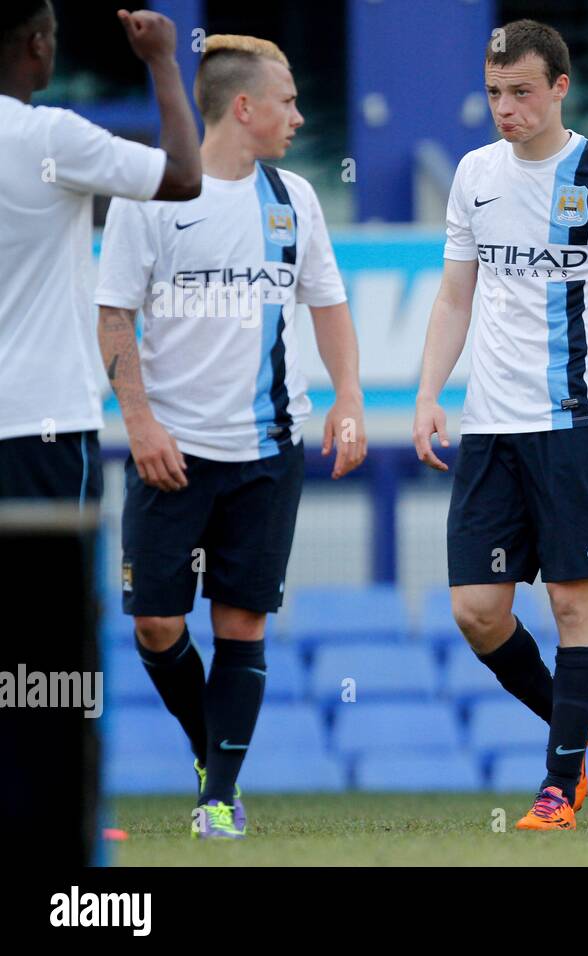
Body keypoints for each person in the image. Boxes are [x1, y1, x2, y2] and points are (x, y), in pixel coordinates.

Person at [94, 34, 367, 839]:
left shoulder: (296, 199)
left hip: (268, 451)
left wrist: (348, 395)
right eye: (287, 102)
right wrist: (138, 423)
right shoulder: (153, 197)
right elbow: (114, 315)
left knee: (242, 626)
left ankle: (218, 799)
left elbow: (328, 303)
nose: (299, 116)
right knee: (156, 625)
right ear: (243, 108)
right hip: (169, 453)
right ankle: (209, 753)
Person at [412, 19, 588, 831]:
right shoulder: (474, 175)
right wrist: (428, 393)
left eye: (521, 92)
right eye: (494, 93)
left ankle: (558, 789)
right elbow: (456, 294)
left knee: (571, 604)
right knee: (477, 610)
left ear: (560, 87)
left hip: (577, 424)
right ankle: (576, 718)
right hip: (491, 428)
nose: (506, 108)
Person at [0, 2, 201, 503]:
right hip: (40, 424)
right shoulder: (48, 136)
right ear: (37, 44)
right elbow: (184, 175)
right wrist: (162, 61)